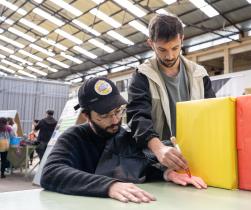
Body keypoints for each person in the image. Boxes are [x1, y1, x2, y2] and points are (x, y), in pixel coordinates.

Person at [40, 76, 207, 203]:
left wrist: (166, 174)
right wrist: (109, 186)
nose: (115, 120)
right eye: (104, 115)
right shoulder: (73, 138)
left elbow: (135, 167)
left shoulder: (126, 135)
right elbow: (51, 173)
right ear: (86, 116)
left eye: (118, 111)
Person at [127, 14, 216, 172]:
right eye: (162, 49)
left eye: (175, 48)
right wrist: (159, 149)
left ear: (182, 39)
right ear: (151, 43)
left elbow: (213, 115)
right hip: (158, 161)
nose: (170, 56)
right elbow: (138, 118)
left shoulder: (200, 74)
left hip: (197, 157)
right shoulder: (142, 76)